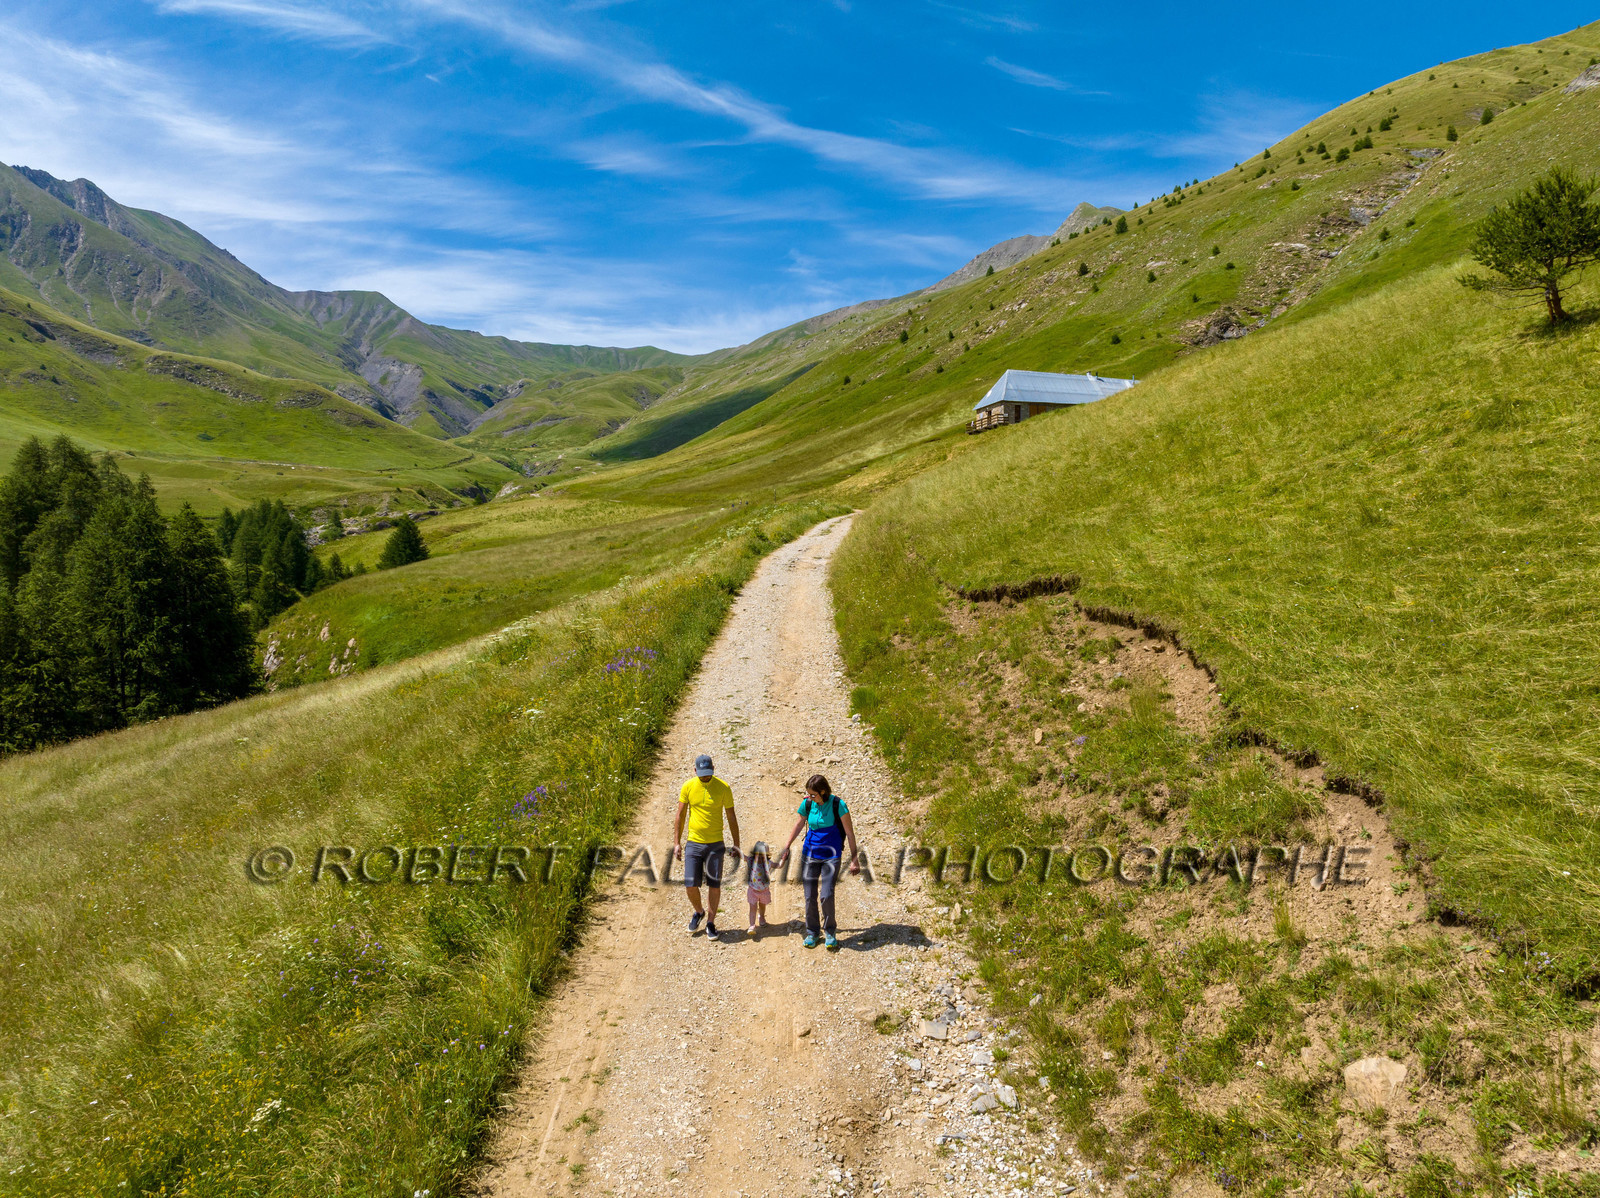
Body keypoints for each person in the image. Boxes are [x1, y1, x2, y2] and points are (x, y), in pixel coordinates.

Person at [777, 774, 859, 950]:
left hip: (832, 856)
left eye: (813, 794)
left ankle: (829, 931)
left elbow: (850, 834)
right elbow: (799, 825)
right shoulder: (808, 804)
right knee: (809, 896)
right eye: (808, 794)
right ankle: (812, 932)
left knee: (826, 895)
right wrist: (787, 846)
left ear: (823, 791)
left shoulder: (838, 805)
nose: (810, 798)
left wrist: (854, 859)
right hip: (810, 854)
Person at [674, 753, 740, 941]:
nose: (705, 776)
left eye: (708, 773)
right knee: (690, 884)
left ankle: (711, 922)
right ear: (695, 770)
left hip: (715, 844)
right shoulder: (688, 786)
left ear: (713, 769)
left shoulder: (723, 788)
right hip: (694, 842)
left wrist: (736, 844)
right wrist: (676, 843)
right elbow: (680, 815)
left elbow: (731, 817)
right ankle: (699, 911)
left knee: (714, 884)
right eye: (701, 773)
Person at [746, 841, 774, 937]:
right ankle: (752, 925)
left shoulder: (768, 863)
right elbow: (743, 857)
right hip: (752, 890)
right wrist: (736, 852)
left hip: (764, 890)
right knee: (752, 907)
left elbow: (778, 865)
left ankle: (761, 917)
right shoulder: (751, 861)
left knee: (762, 906)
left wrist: (783, 859)